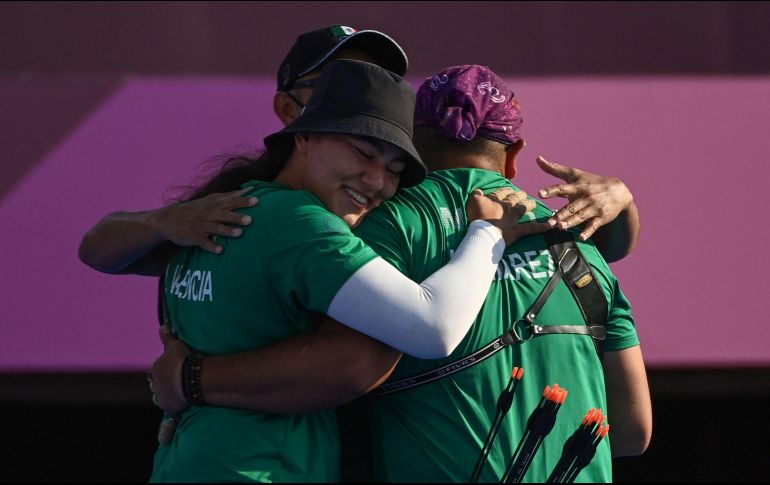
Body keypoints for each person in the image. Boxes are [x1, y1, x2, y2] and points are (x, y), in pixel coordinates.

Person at [149, 65, 652, 483]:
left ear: (410, 144)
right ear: (515, 156)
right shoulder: (587, 248)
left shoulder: (380, 224)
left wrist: (190, 378)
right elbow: (630, 431)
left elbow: (346, 364)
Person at [78, 25, 640, 277]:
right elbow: (98, 248)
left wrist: (620, 196)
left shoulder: (411, 193)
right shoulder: (244, 204)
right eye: (332, 90)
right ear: (289, 114)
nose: (375, 172)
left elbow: (596, 245)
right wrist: (166, 222)